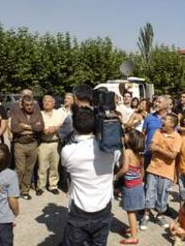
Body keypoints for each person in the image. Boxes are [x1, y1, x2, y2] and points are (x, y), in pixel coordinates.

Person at [61, 107, 115, 246]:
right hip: (104, 207)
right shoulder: (112, 150)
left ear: (73, 126)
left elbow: (66, 168)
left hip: (79, 208)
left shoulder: (68, 151)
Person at [140, 113, 181, 230]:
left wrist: (159, 148)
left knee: (163, 194)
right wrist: (161, 150)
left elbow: (173, 155)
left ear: (172, 124)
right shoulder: (158, 132)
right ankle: (146, 215)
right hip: (153, 168)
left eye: (165, 119)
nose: (162, 121)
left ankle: (160, 215)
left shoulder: (177, 137)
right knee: (149, 191)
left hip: (167, 171)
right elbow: (152, 146)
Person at [114, 129, 145, 245]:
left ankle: (133, 237)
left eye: (127, 134)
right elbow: (142, 170)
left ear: (131, 139)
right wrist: (140, 180)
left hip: (130, 187)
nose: (125, 135)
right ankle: (133, 228)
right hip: (138, 185)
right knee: (134, 209)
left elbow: (125, 169)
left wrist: (116, 176)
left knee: (130, 211)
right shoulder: (139, 154)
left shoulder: (127, 152)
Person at [10, 95, 44, 200]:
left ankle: (25, 191)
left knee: (29, 169)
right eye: (27, 105)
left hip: (33, 144)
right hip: (19, 145)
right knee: (20, 169)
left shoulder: (37, 113)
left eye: (31, 105)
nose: (29, 107)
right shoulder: (16, 113)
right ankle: (13, 190)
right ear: (22, 105)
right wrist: (32, 128)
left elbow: (40, 128)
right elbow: (14, 128)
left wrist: (24, 126)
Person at [37, 95, 65, 196]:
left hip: (56, 143)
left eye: (49, 101)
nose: (47, 103)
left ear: (53, 103)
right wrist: (43, 130)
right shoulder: (39, 114)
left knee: (54, 166)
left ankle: (53, 185)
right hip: (43, 143)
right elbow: (36, 125)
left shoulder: (59, 113)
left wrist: (55, 128)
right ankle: (41, 186)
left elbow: (64, 124)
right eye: (45, 101)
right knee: (42, 166)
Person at [142, 96, 168, 169]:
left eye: (159, 102)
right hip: (149, 153)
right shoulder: (149, 117)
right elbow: (143, 134)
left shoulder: (171, 118)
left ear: (165, 105)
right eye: (156, 101)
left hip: (163, 155)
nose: (156, 103)